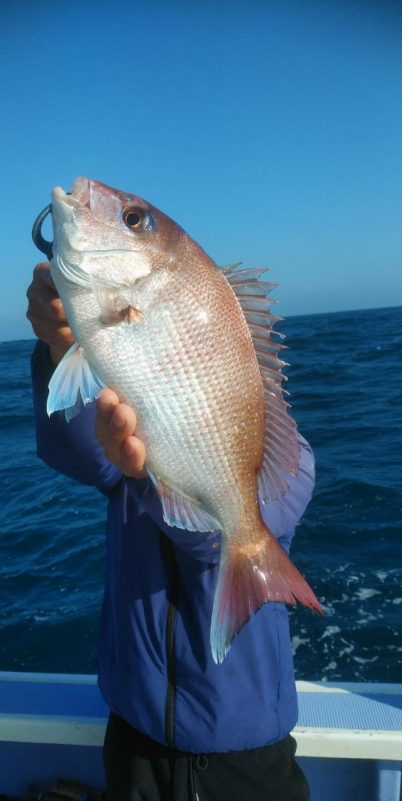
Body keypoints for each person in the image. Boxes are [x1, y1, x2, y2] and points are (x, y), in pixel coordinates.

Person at [27, 261, 314, 801]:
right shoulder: (133, 433)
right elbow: (82, 454)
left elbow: (211, 542)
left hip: (249, 749)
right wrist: (57, 349)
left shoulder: (289, 464)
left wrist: (150, 481)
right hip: (132, 738)